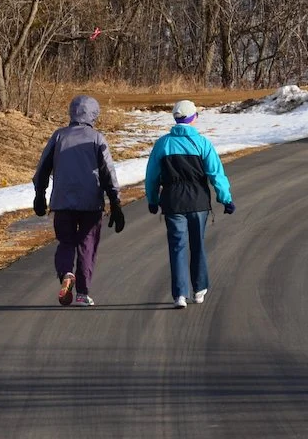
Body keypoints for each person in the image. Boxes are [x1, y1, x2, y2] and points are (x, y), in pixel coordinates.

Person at [33, 95, 125, 307]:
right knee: (87, 245)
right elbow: (107, 172)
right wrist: (115, 202)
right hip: (90, 202)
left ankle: (66, 272)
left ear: (71, 112)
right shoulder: (96, 138)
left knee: (66, 242)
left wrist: (40, 194)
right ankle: (83, 292)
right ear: (94, 114)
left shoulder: (59, 136)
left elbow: (43, 168)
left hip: (62, 201)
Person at [144, 100, 235, 309]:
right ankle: (199, 288)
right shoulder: (203, 144)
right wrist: (225, 199)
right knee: (198, 244)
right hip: (198, 202)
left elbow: (151, 177)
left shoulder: (163, 144)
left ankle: (180, 295)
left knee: (177, 247)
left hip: (173, 202)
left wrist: (152, 200)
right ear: (194, 118)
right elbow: (215, 174)